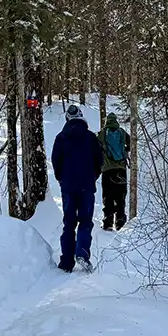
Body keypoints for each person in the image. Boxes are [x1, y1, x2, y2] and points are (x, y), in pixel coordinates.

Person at [51, 104, 103, 272]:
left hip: (68, 187)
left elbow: (55, 162)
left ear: (67, 119)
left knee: (69, 223)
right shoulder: (91, 137)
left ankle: (66, 262)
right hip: (86, 186)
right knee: (85, 221)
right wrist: (92, 177)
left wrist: (62, 179)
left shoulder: (61, 138)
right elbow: (99, 161)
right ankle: (82, 253)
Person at [98, 111, 130, 231]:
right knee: (120, 196)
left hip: (107, 170)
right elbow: (132, 143)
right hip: (121, 169)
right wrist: (125, 150)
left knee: (108, 196)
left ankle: (108, 221)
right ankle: (120, 221)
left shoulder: (102, 134)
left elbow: (96, 148)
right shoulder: (122, 132)